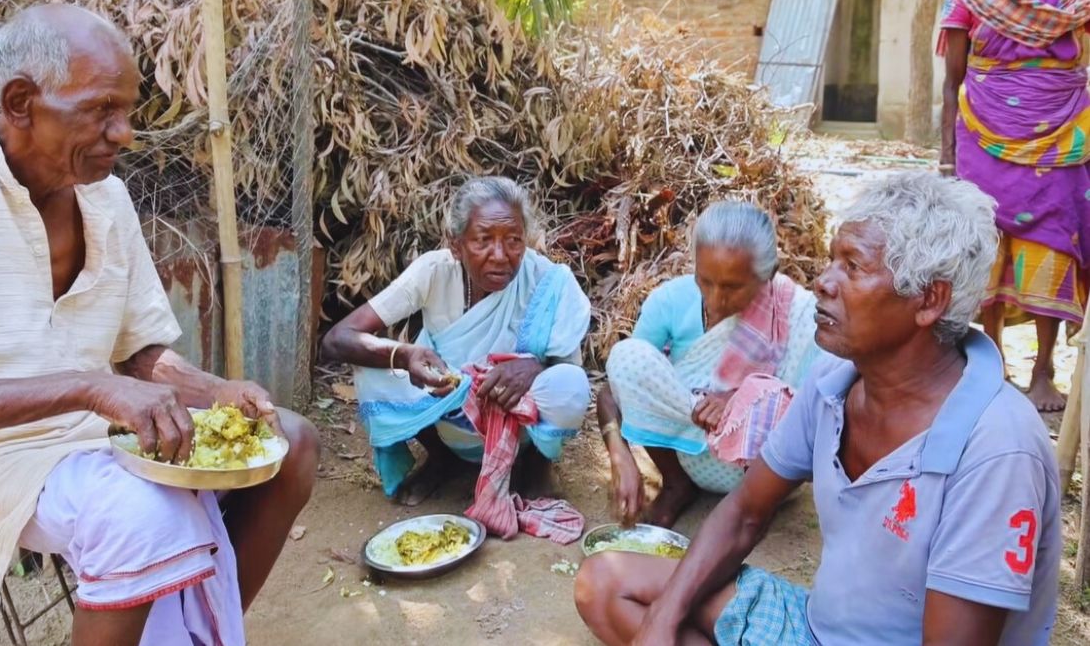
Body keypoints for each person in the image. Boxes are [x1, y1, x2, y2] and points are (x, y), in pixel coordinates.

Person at [0, 4, 320, 646]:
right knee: (142, 512)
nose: (124, 132)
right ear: (21, 102)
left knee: (291, 444)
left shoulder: (108, 197)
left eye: (126, 110)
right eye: (102, 110)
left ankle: (206, 632)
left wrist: (213, 391)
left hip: (95, 434)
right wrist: (89, 388)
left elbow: (138, 355)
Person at [574, 171, 1060, 646]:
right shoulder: (835, 381)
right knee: (605, 584)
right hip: (813, 625)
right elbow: (744, 512)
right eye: (832, 260)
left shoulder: (998, 450)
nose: (823, 281)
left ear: (929, 300)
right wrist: (661, 622)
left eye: (853, 266)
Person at [320, 176, 591, 506]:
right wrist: (404, 355)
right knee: (373, 366)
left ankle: (535, 467)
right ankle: (443, 458)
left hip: (519, 421)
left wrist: (532, 367)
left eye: (513, 240)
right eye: (483, 240)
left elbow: (568, 367)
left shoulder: (547, 281)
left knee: (571, 383)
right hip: (446, 406)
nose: (500, 255)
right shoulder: (433, 271)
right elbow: (338, 338)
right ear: (455, 244)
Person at [941, 0, 1090, 411]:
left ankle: (1044, 370)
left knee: (1052, 241)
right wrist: (946, 155)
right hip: (982, 134)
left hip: (1060, 132)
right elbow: (953, 78)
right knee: (986, 247)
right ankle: (994, 363)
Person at [598, 201, 821, 527]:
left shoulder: (800, 315)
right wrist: (620, 454)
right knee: (627, 356)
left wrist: (742, 400)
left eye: (732, 287)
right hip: (688, 453)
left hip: (766, 474)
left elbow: (816, 415)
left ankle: (750, 506)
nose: (715, 300)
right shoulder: (670, 301)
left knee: (792, 405)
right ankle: (677, 484)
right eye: (705, 281)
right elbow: (616, 387)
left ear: (768, 276)